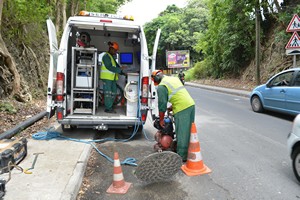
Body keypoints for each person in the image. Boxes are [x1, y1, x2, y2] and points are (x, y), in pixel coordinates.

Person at [151, 70, 195, 161]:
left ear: (156, 79)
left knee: (182, 133)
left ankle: (181, 157)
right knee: (189, 131)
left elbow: (162, 105)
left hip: (182, 108)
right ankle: (190, 152)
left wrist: (162, 120)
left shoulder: (162, 86)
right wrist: (172, 106)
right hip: (190, 105)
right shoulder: (173, 78)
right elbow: (179, 95)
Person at [100, 41, 126, 113]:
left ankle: (110, 105)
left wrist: (123, 72)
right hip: (107, 78)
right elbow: (109, 67)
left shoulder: (111, 57)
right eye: (115, 50)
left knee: (113, 92)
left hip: (112, 79)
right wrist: (120, 70)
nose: (115, 52)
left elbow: (116, 66)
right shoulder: (106, 56)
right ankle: (108, 108)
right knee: (108, 93)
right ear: (111, 49)